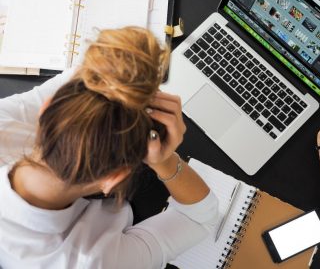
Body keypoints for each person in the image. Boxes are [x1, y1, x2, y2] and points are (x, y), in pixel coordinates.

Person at [0, 27, 219, 268]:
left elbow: (81, 76)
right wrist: (164, 161)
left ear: (45, 110)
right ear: (113, 179)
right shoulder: (96, 262)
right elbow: (199, 217)